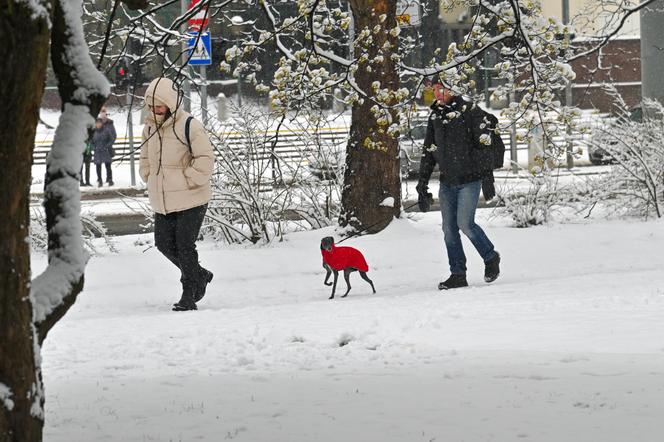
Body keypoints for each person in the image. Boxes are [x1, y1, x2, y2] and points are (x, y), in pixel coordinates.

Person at [416, 79, 501, 290]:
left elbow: (484, 147)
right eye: (434, 89)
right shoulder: (436, 115)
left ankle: (490, 257)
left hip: (469, 181)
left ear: (452, 89)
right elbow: (429, 150)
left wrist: (483, 175)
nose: (436, 93)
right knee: (448, 229)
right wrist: (422, 185)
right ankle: (458, 274)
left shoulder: (469, 111)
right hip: (447, 182)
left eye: (440, 89)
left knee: (465, 223)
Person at [139, 77, 215, 311]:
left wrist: (188, 179)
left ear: (170, 103)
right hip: (163, 199)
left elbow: (205, 158)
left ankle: (188, 293)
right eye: (151, 106)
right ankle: (200, 274)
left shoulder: (189, 125)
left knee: (184, 245)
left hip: (192, 197)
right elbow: (144, 157)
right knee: (163, 244)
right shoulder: (150, 128)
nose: (155, 110)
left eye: (159, 105)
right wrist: (148, 174)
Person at [92, 107, 117, 186]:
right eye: (97, 123)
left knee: (108, 165)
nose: (98, 124)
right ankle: (99, 180)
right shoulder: (93, 132)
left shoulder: (106, 129)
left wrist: (107, 146)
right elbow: (90, 141)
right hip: (97, 151)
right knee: (98, 167)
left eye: (99, 123)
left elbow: (112, 138)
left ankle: (109, 179)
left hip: (105, 150)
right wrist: (94, 147)